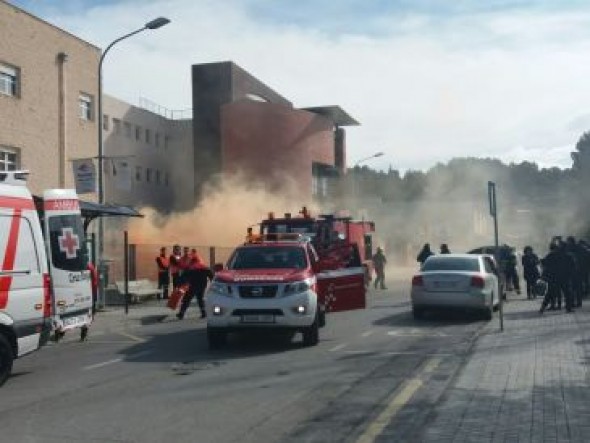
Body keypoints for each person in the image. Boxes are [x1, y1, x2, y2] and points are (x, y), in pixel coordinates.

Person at [177, 253, 213, 320]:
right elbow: (211, 275)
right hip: (202, 285)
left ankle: (181, 313)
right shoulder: (204, 267)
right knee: (200, 299)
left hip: (193, 286)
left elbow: (183, 277)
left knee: (187, 299)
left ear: (192, 260)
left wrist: (180, 285)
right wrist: (212, 283)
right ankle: (203, 313)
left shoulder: (190, 267)